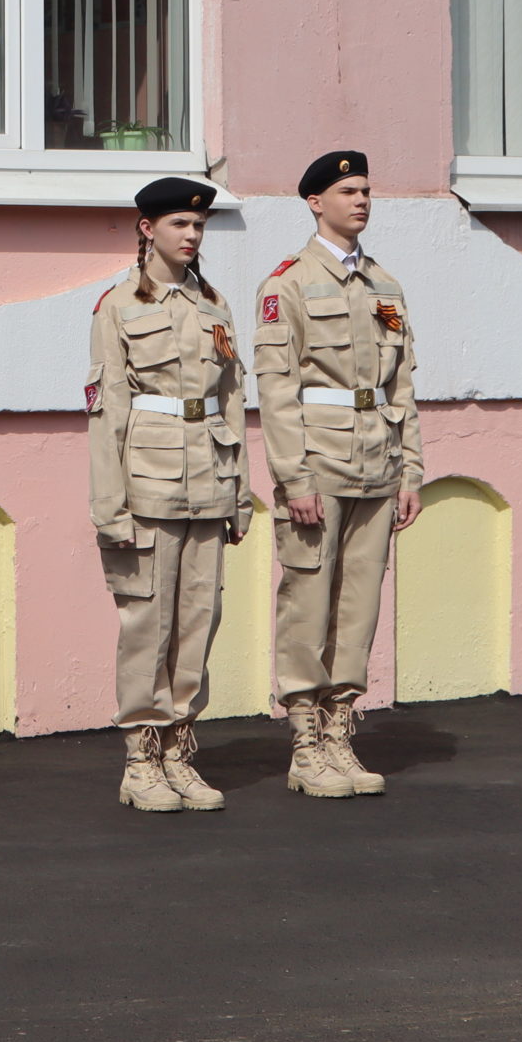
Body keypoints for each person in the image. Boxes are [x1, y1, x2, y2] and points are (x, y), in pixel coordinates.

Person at [252, 150, 423, 800]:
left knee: (358, 605)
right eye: (349, 189)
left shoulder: (385, 288)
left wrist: (412, 469)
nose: (362, 200)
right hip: (318, 464)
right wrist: (292, 478)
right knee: (309, 599)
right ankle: (303, 740)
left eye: (367, 189)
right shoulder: (288, 284)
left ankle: (339, 730)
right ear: (315, 201)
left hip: (376, 464)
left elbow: (401, 383)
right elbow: (275, 389)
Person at [87, 177, 252, 813]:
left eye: (199, 226)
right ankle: (140, 760)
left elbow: (232, 403)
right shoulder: (118, 307)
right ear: (146, 229)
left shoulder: (215, 307)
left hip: (209, 485)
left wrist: (239, 495)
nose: (191, 235)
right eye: (180, 224)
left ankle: (180, 751)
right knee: (146, 627)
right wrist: (111, 509)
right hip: (147, 488)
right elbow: (108, 416)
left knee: (198, 624)